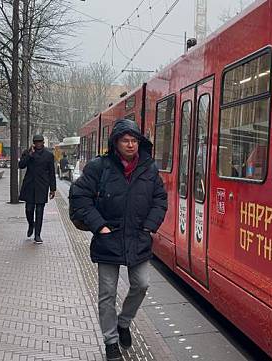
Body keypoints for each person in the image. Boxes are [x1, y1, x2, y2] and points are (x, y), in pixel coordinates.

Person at [69, 119, 168, 361]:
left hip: (138, 237)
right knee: (107, 293)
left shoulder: (149, 168)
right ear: (116, 143)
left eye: (134, 140)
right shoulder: (99, 167)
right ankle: (111, 341)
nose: (131, 145)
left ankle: (124, 322)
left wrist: (148, 227)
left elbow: (160, 199)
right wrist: (99, 225)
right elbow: (79, 195)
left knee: (142, 284)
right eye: (126, 140)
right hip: (108, 238)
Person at [19, 134, 56, 244]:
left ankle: (37, 235)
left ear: (43, 143)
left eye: (40, 142)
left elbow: (52, 173)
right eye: (36, 142)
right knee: (29, 209)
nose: (38, 144)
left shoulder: (49, 155)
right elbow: (21, 165)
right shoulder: (28, 152)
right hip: (29, 185)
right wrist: (29, 155)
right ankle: (31, 224)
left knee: (39, 211)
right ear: (34, 143)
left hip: (42, 186)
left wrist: (52, 189)